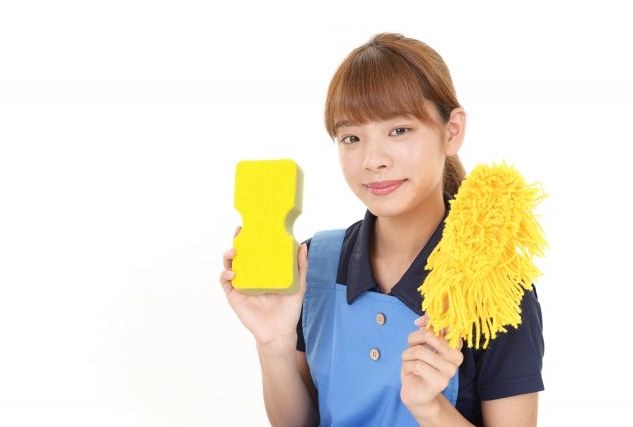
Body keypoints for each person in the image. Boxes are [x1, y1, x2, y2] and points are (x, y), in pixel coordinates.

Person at [219, 32, 544, 427]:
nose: (373, 160)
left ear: (452, 131)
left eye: (399, 130)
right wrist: (274, 345)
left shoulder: (494, 289)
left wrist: (430, 407)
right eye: (351, 137)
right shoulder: (315, 263)